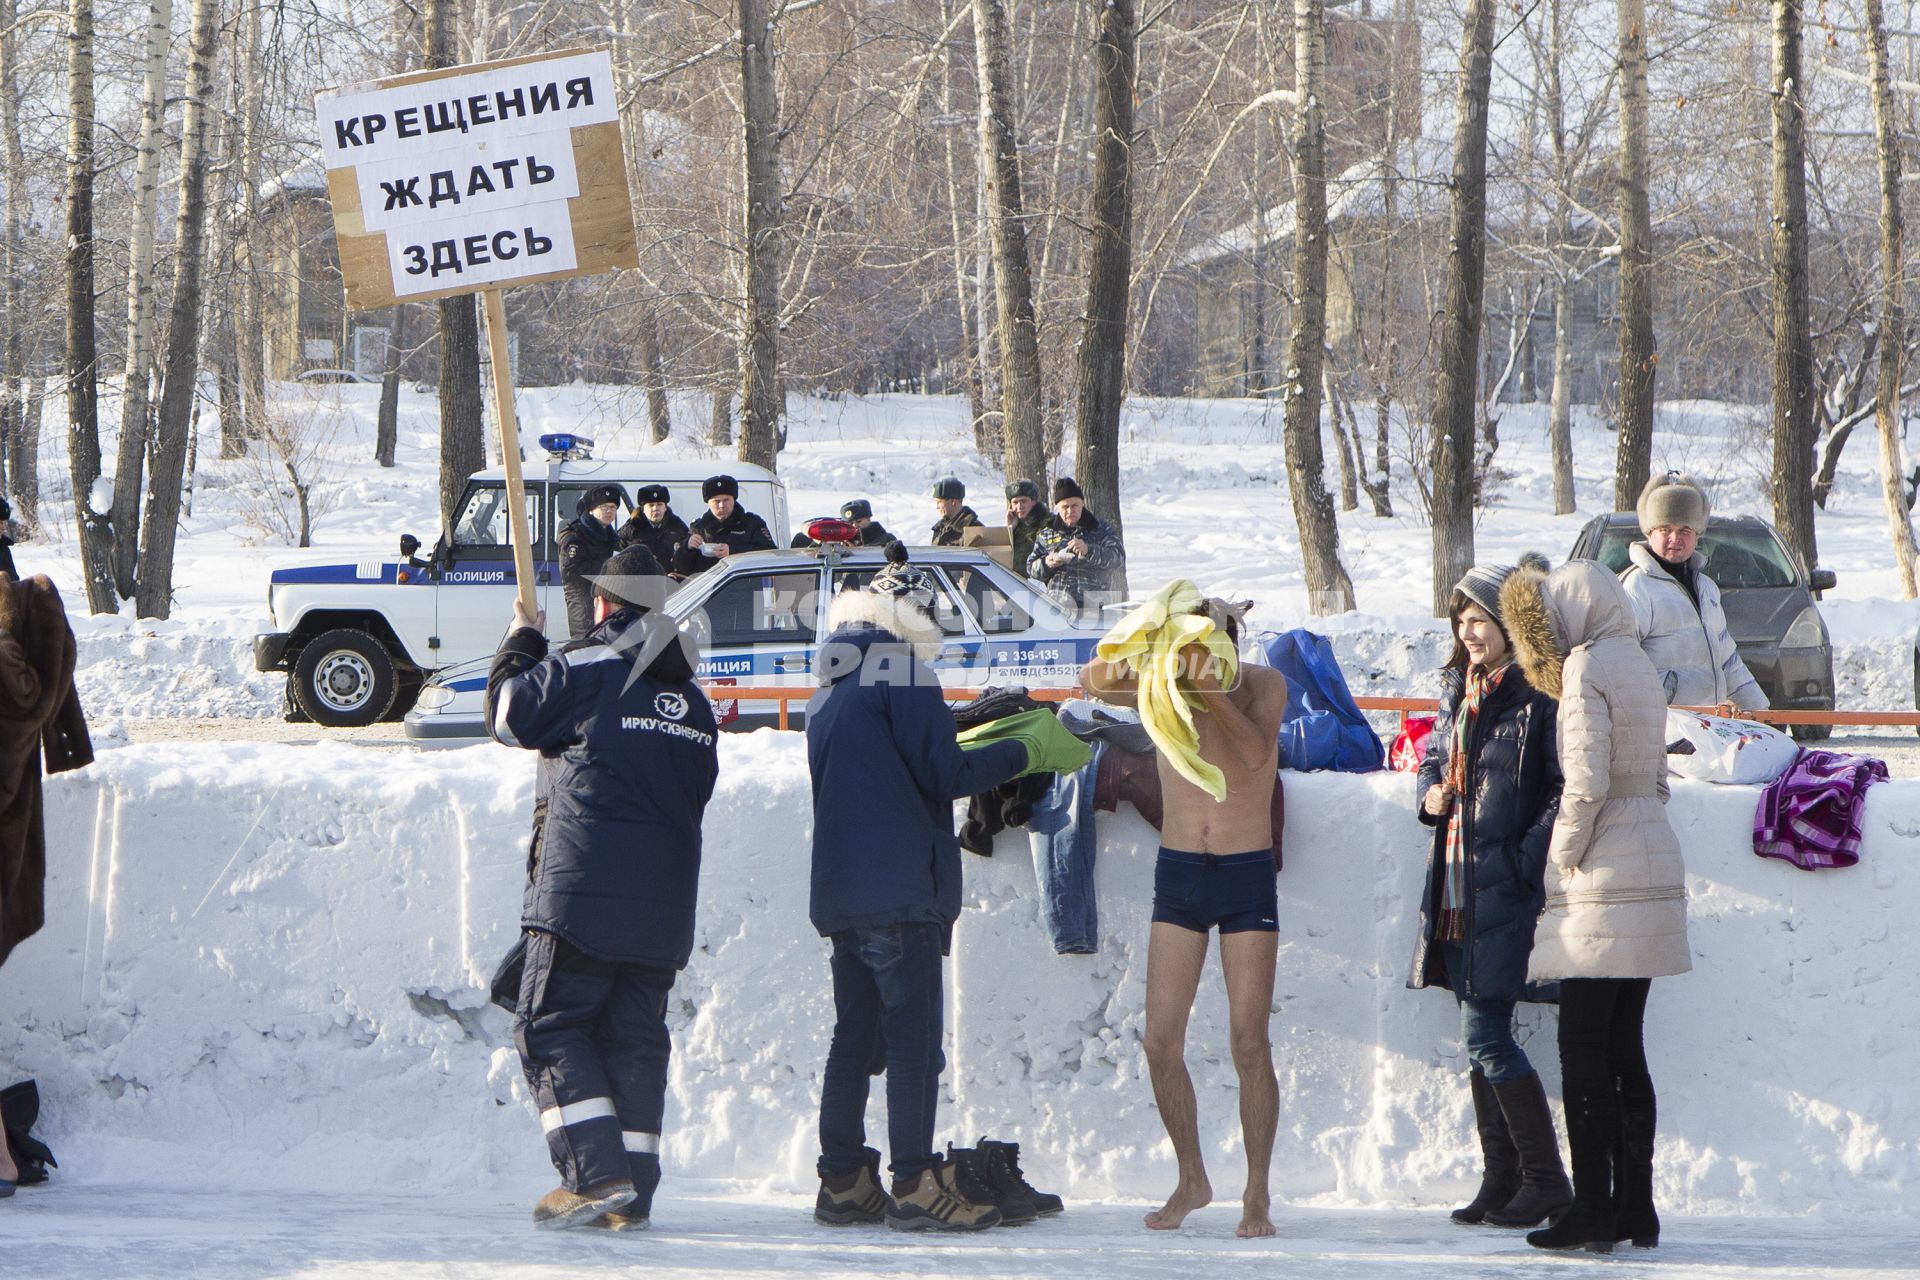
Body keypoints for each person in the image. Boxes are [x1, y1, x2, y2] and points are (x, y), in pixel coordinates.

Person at [486, 545, 719, 1231]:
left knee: (548, 1024)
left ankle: (594, 1175)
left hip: (583, 896)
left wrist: (521, 642)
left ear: (606, 604)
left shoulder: (588, 666)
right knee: (633, 1041)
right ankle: (632, 1193)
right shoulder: (693, 701)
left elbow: (506, 714)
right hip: (664, 909)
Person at [805, 543, 1034, 1232]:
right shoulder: (902, 672)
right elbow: (943, 775)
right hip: (901, 892)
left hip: (843, 896)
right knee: (911, 1044)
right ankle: (913, 1182)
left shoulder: (830, 686)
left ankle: (843, 1180)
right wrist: (1026, 748)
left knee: (853, 1040)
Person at [1079, 595, 1290, 1239]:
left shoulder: (1261, 685)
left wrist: (1213, 690)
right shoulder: (1163, 685)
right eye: (1195, 640)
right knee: (1159, 1041)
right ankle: (1192, 1177)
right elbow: (1093, 678)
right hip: (1179, 877)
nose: (1204, 655)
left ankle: (1257, 1194)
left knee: (1248, 1043)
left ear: (1233, 642)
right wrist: (1154, 637)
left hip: (1245, 874)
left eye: (1216, 641)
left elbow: (1255, 757)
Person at [1499, 560, 1691, 1254]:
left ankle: (1593, 1211)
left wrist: (1563, 855)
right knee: (1623, 1046)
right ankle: (1636, 1207)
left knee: (1581, 1048)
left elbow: (1585, 779)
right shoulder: (1637, 663)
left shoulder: (1584, 668)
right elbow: (1657, 777)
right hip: (1650, 853)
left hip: (1603, 873)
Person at [1409, 562, 1571, 1230]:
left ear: (1508, 626)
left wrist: (1522, 859)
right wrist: (1428, 792)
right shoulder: (1459, 689)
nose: (1469, 632)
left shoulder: (1537, 697)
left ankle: (1544, 1180)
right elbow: (1430, 756)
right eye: (1461, 621)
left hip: (1500, 882)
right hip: (1453, 882)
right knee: (1484, 1036)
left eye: (1480, 619)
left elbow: (1563, 786)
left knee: (1488, 1033)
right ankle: (1501, 1179)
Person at [1619, 472, 1766, 713]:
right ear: (1649, 532)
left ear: (1697, 535)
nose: (1675, 538)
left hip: (1709, 724)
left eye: (1684, 530)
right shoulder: (1637, 587)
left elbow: (1727, 660)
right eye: (1665, 529)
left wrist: (1761, 711)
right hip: (1665, 728)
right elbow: (1622, 663)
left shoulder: (1706, 587)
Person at [1027, 478, 1124, 621]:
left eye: (1075, 505)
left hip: (1096, 610)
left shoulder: (1101, 529)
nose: (1070, 511)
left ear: (1082, 504)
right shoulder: (1047, 534)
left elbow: (1118, 558)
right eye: (1065, 507)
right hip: (1059, 610)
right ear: (1057, 508)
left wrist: (1089, 551)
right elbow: (1030, 568)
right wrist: (1047, 562)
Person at [557, 484, 623, 638]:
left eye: (613, 507)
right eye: (604, 507)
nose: (609, 511)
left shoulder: (611, 537)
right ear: (591, 510)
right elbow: (571, 572)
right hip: (584, 611)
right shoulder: (574, 536)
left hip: (606, 608)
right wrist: (610, 566)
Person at [677, 475, 775, 577]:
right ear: (708, 503)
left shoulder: (752, 523)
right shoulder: (698, 528)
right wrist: (687, 547)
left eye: (726, 500)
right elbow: (680, 567)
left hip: (745, 587)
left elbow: (770, 553)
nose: (722, 505)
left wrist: (733, 551)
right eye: (717, 501)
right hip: (708, 589)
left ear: (734, 500)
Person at [616, 485, 688, 580]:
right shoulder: (631, 530)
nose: (655, 508)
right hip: (640, 586)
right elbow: (619, 563)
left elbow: (687, 559)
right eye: (651, 505)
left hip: (672, 585)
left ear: (665, 507)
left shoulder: (679, 528)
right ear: (643, 509)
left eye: (659, 504)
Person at [792, 499, 895, 549]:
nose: (855, 526)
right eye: (850, 523)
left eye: (858, 521)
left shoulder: (886, 540)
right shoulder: (840, 539)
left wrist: (859, 552)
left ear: (869, 518)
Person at [1005, 480, 1049, 573]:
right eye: (1015, 502)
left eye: (1023, 501)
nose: (1019, 506)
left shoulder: (1048, 523)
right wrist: (1010, 529)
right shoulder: (1016, 526)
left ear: (1033, 501)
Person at [929, 478, 982, 546]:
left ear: (953, 502)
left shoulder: (974, 530)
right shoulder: (940, 528)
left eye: (940, 502)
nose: (937, 507)